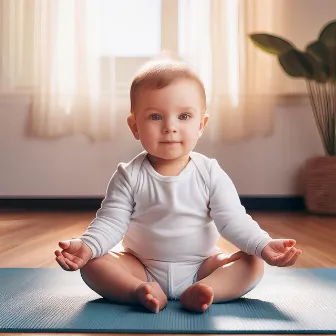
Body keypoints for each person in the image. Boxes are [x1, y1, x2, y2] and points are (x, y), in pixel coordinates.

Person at [55, 58, 302, 314]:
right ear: (134, 126)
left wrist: (263, 244)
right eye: (155, 116)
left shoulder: (209, 173)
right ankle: (138, 290)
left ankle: (207, 290)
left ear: (201, 125)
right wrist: (87, 246)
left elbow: (233, 220)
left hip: (202, 268)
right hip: (141, 267)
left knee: (251, 262)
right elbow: (111, 222)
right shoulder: (128, 175)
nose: (170, 127)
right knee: (94, 264)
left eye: (184, 116)